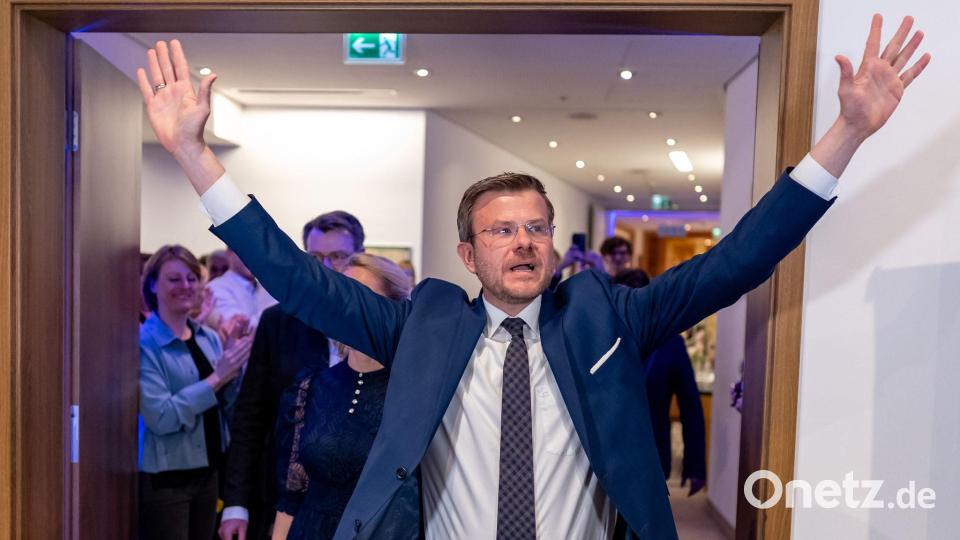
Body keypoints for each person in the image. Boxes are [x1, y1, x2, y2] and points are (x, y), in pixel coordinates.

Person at [137, 16, 929, 538]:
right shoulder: (422, 326)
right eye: (501, 230)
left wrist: (847, 134)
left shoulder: (604, 316)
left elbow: (738, 260)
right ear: (468, 254)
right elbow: (298, 279)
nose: (523, 242)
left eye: (536, 228)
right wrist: (194, 155)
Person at [220, 211, 366, 540]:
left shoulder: (380, 324)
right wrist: (235, 504)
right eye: (315, 257)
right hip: (285, 496)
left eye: (338, 256)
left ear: (359, 256)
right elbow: (250, 417)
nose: (325, 266)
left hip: (358, 501)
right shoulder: (277, 322)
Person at [271, 254, 413, 540]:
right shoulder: (310, 387)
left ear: (394, 309)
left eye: (363, 298)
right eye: (342, 298)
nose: (349, 309)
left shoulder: (415, 392)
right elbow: (291, 495)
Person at [138, 245, 253, 540]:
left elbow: (227, 406)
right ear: (153, 285)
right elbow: (161, 417)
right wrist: (217, 377)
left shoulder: (209, 338)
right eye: (174, 279)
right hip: (167, 481)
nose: (186, 286)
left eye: (192, 278)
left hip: (210, 473)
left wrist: (233, 369)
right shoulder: (143, 343)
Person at [612, 269, 706, 496]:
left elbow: (690, 404)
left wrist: (695, 465)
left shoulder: (671, 343)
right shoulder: (599, 338)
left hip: (652, 455)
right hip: (606, 456)